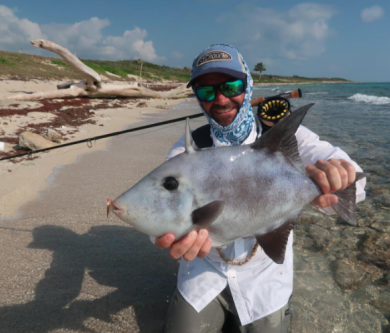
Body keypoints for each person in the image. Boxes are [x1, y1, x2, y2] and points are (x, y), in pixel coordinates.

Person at [154, 44, 366, 332]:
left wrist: (334, 180)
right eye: (206, 91)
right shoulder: (189, 149)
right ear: (198, 98)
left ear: (248, 85)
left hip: (265, 282)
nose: (220, 99)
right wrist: (169, 236)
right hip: (204, 272)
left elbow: (357, 180)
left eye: (230, 86)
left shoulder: (283, 136)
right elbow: (163, 210)